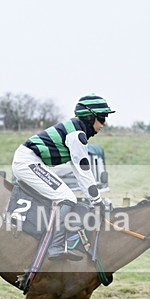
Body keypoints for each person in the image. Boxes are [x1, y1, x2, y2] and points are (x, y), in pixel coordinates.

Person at [12, 94, 115, 260]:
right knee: (66, 198)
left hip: (31, 161)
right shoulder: (77, 136)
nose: (103, 124)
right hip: (27, 162)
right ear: (89, 117)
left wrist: (93, 199)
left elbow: (78, 171)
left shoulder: (77, 131)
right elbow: (83, 170)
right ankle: (56, 247)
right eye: (102, 118)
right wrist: (97, 201)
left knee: (63, 196)